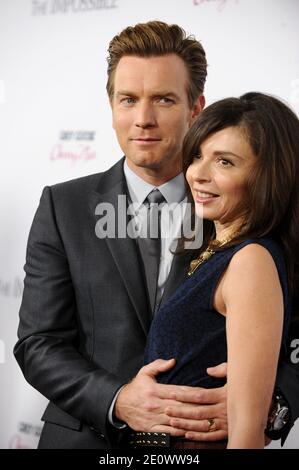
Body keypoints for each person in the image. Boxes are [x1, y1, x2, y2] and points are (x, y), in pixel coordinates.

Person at [13, 21, 298, 449]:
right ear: (111, 108)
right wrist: (118, 399)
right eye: (128, 100)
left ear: (196, 107)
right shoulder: (63, 206)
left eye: (164, 99)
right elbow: (38, 342)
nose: (143, 119)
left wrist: (269, 407)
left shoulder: (242, 209)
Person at [144, 92, 299, 448]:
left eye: (225, 162)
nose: (198, 174)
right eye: (197, 155)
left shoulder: (251, 261)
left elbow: (246, 435)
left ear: (267, 176)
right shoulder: (212, 250)